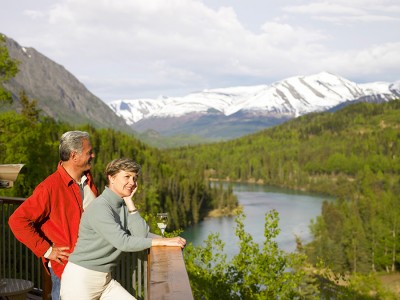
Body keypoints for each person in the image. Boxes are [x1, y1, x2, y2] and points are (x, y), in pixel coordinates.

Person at [60, 158, 186, 300]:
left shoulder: (122, 204)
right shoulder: (100, 207)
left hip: (105, 282)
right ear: (111, 178)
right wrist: (162, 242)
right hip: (80, 281)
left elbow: (141, 235)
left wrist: (130, 203)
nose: (132, 182)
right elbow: (123, 242)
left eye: (134, 178)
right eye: (127, 176)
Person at [8, 130, 98, 300]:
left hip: (93, 266)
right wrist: (47, 251)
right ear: (74, 156)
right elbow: (17, 221)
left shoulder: (87, 180)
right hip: (67, 270)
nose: (93, 155)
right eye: (89, 152)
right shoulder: (49, 188)